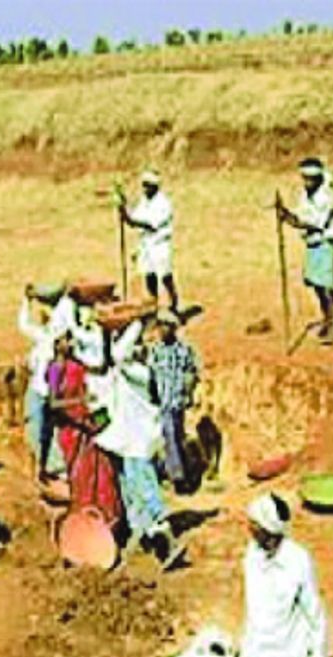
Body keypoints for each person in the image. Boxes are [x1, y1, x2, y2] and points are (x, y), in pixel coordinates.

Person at [238, 492, 330, 657]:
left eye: (254, 524)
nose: (249, 529)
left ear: (266, 528)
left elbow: (313, 608)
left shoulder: (297, 560)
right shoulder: (252, 557)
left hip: (290, 648)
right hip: (259, 650)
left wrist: (319, 656)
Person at [95, 319, 185, 569]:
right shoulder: (127, 374)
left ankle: (166, 544)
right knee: (133, 495)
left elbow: (117, 355)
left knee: (146, 492)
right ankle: (143, 545)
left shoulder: (140, 374)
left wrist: (136, 322)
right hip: (129, 443)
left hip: (138, 443)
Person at [46, 333, 123, 531]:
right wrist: (80, 402)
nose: (71, 344)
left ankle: (106, 520)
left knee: (100, 472)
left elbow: (100, 370)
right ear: (56, 343)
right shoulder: (55, 369)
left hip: (86, 426)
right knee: (80, 476)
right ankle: (83, 521)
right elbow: (53, 403)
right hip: (71, 429)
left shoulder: (77, 364)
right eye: (66, 340)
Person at [278, 158, 333, 345]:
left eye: (310, 179)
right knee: (317, 285)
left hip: (324, 243)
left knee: (326, 287)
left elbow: (313, 223)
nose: (307, 182)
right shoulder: (306, 194)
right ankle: (327, 320)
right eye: (305, 178)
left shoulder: (325, 198)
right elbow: (300, 215)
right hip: (312, 244)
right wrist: (287, 215)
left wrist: (289, 219)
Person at [17, 287, 66, 482]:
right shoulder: (43, 336)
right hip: (40, 389)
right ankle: (39, 467)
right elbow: (24, 324)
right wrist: (26, 302)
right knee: (38, 430)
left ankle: (52, 468)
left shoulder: (52, 336)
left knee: (50, 430)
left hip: (50, 389)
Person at [150, 310, 199, 492]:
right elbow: (150, 375)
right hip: (163, 402)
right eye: (160, 326)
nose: (162, 330)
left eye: (165, 326)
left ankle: (171, 469)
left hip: (178, 401)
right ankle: (177, 477)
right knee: (169, 435)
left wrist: (188, 393)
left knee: (177, 436)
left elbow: (192, 372)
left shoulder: (183, 350)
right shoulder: (155, 351)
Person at [120, 169, 179, 313]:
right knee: (149, 273)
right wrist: (123, 210)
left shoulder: (163, 204)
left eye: (148, 186)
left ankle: (173, 302)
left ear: (155, 187)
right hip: (146, 243)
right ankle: (154, 302)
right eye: (144, 185)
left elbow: (150, 224)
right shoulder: (144, 201)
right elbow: (134, 220)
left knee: (164, 274)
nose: (145, 189)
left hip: (159, 243)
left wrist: (128, 218)